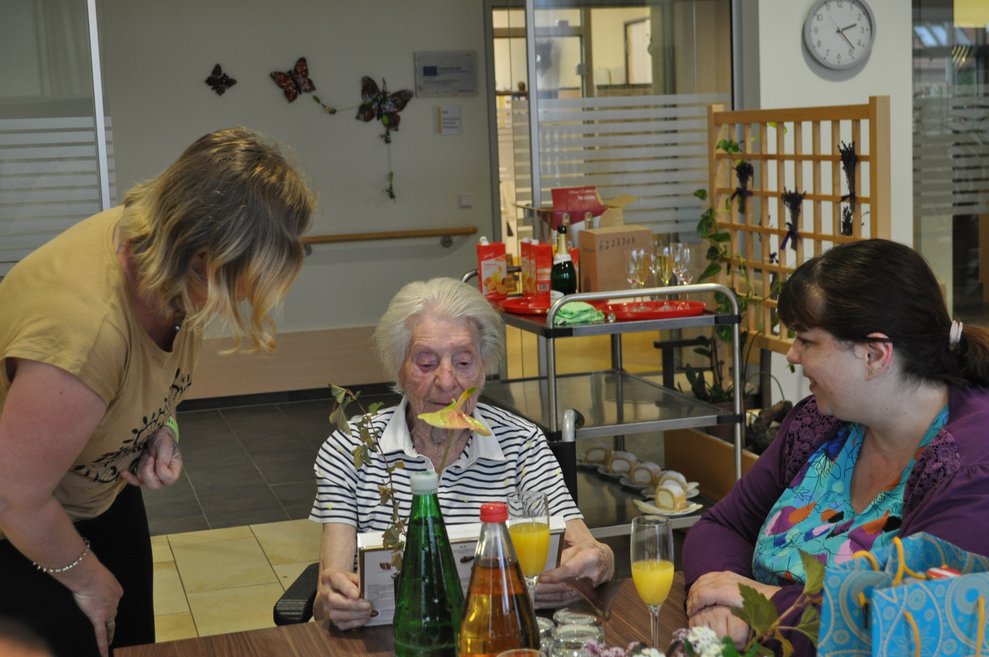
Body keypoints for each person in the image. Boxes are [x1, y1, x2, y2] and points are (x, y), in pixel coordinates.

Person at [0, 127, 315, 657]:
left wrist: (161, 430)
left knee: (135, 642)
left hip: (98, 498)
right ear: (203, 258)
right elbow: (15, 497)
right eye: (247, 278)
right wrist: (87, 579)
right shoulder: (83, 332)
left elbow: (144, 382)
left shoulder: (161, 255)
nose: (246, 297)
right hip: (22, 528)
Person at [683, 239, 989, 654]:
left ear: (874, 354)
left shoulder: (972, 464)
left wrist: (760, 605)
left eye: (806, 341)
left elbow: (911, 619)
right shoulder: (820, 424)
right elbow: (722, 527)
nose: (792, 355)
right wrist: (717, 604)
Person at [310, 277, 615, 629]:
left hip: (501, 636)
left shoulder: (521, 442)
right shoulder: (349, 449)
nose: (447, 381)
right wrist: (336, 602)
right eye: (426, 363)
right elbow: (323, 599)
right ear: (399, 369)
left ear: (484, 367)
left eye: (464, 362)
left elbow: (591, 548)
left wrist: (598, 563)